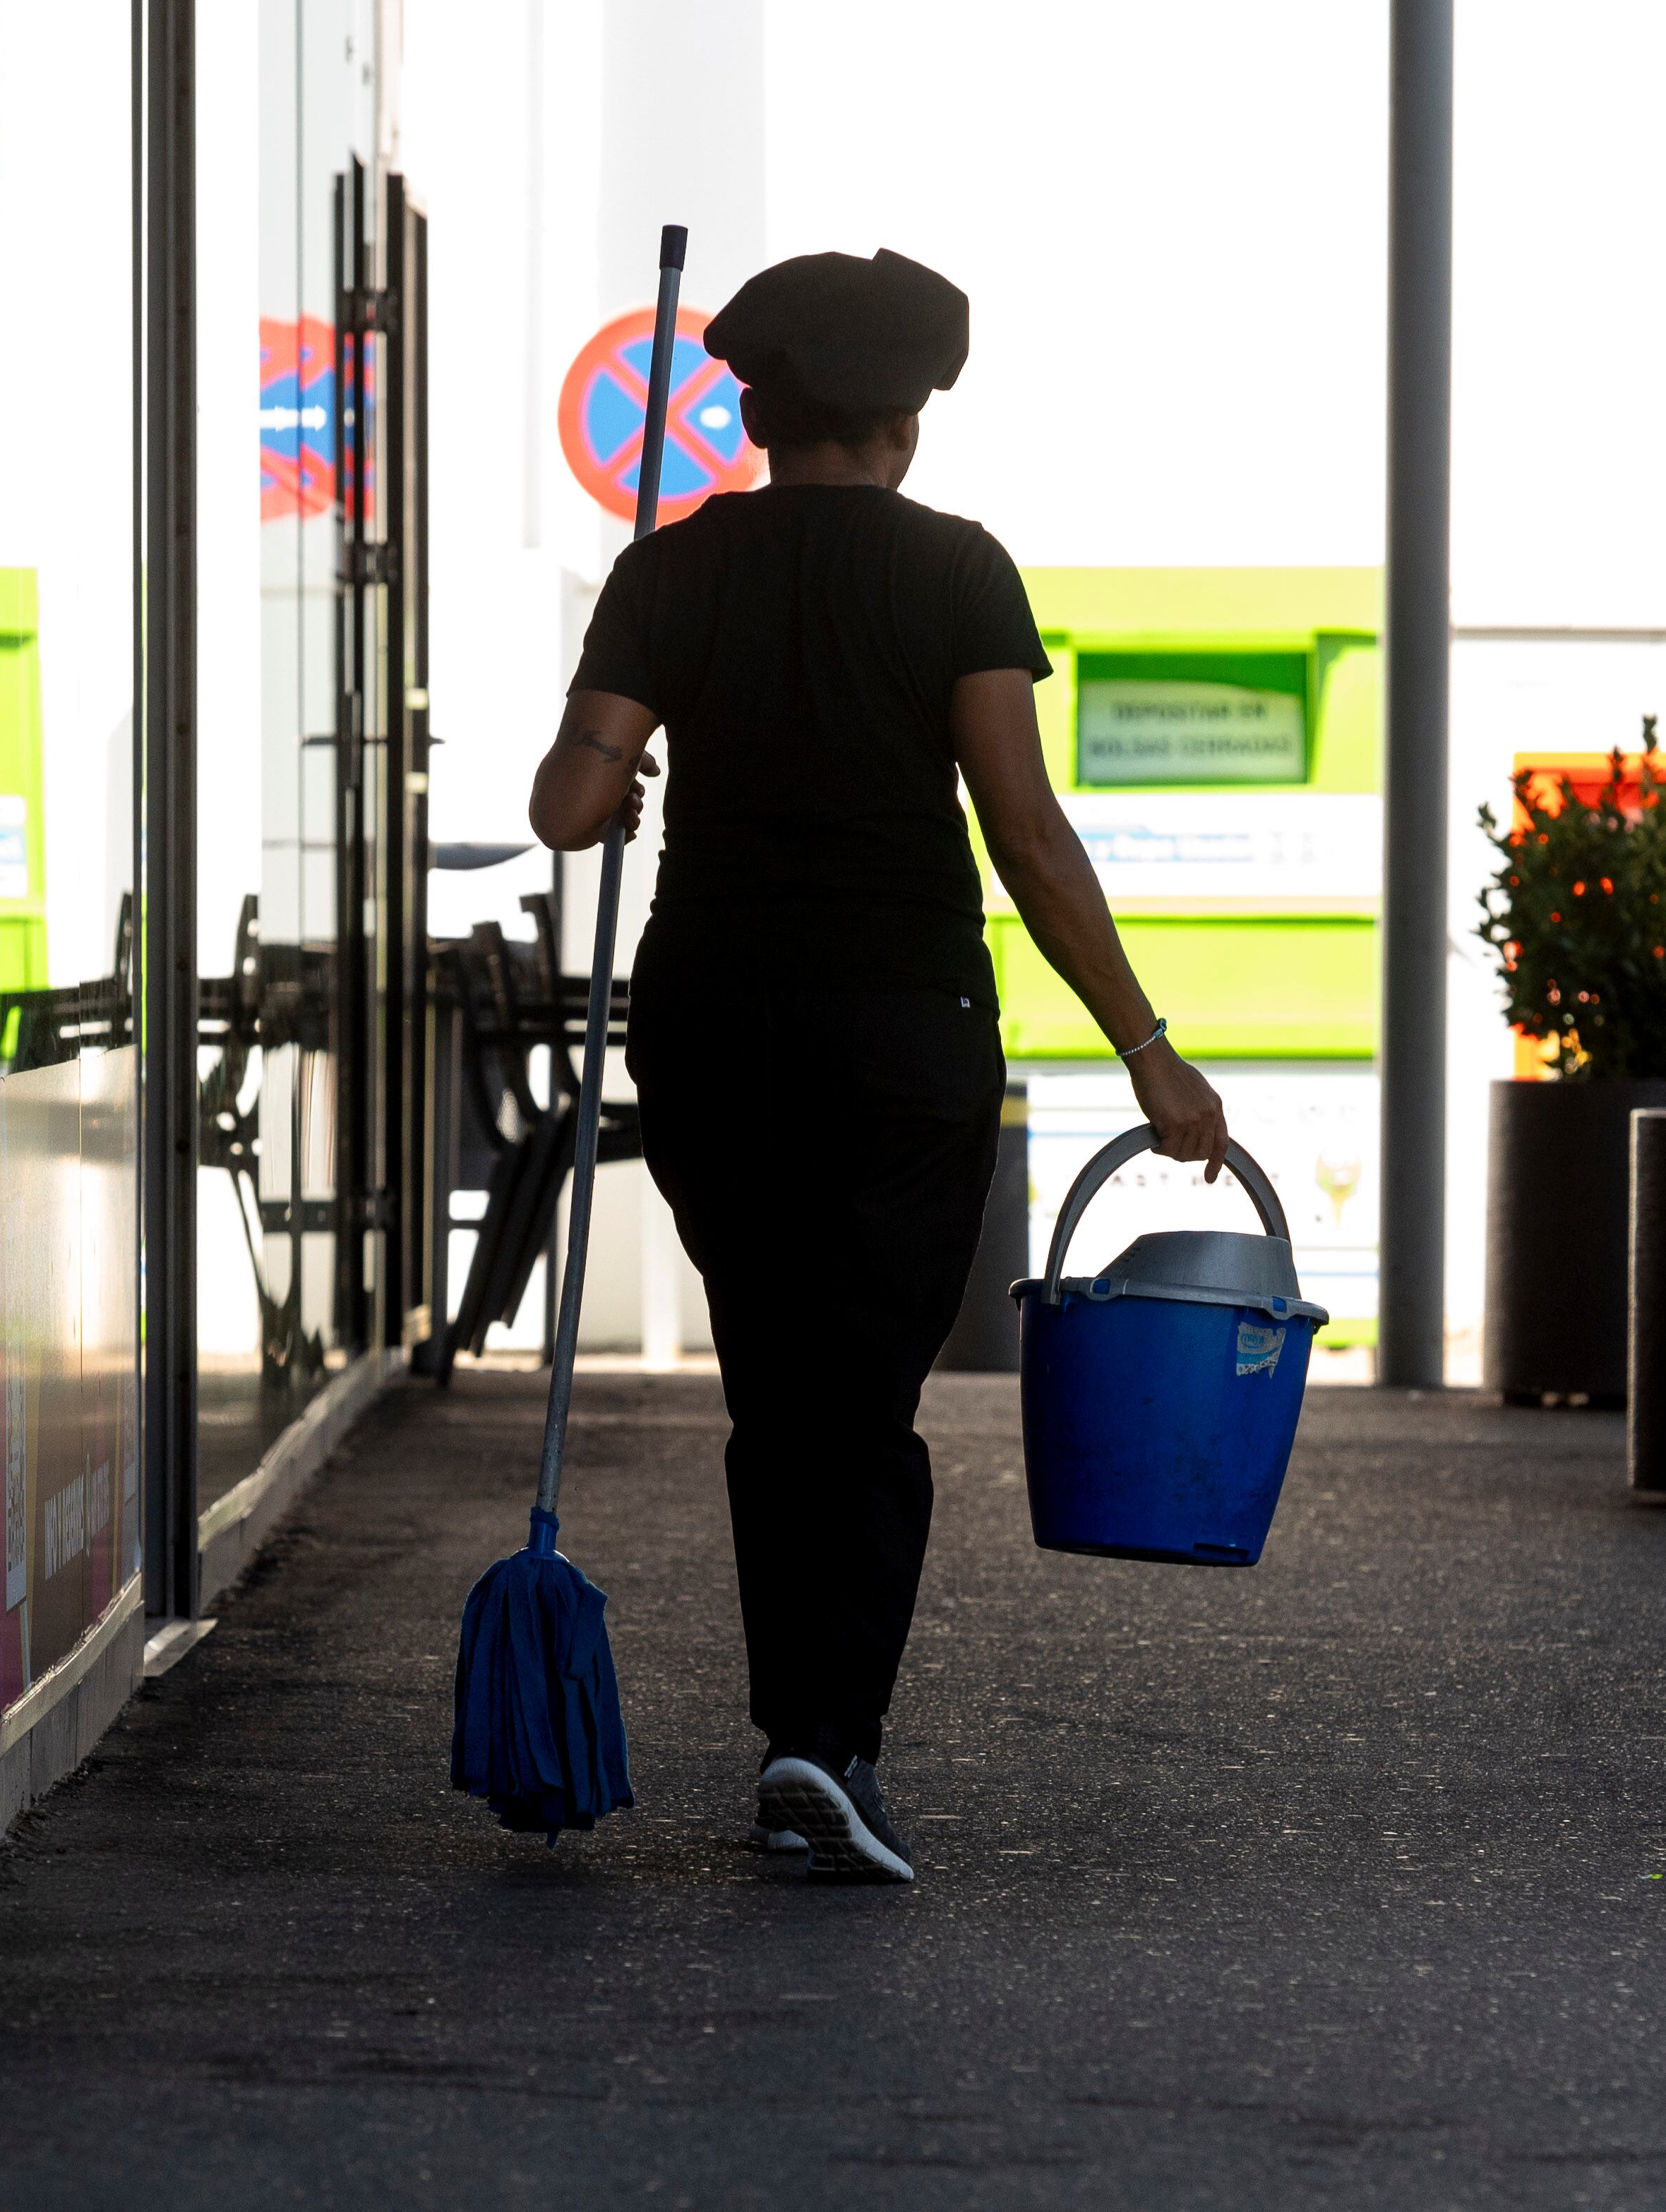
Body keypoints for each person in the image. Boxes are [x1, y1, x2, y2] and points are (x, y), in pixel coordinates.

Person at [529, 248, 1231, 1885]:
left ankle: (806, 1737)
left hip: (709, 1025)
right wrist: (1147, 1045)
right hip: (902, 1032)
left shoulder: (668, 569)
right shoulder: (958, 574)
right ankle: (821, 1743)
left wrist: (610, 788)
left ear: (757, 416)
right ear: (909, 426)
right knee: (859, 1397)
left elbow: (570, 805)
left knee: (780, 1388)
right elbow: (1026, 829)